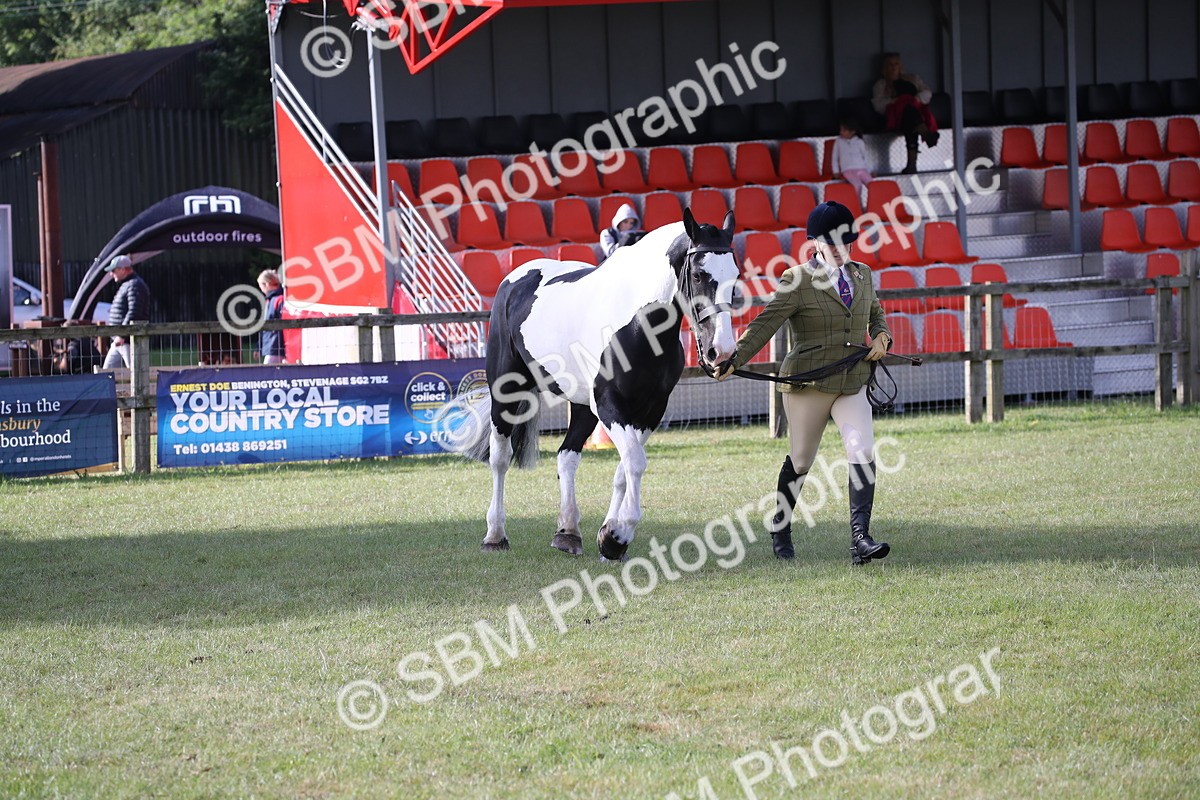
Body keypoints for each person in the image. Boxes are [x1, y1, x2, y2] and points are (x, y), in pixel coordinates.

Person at [715, 201, 893, 566]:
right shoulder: (797, 279)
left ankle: (860, 539)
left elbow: (876, 313)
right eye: (832, 243)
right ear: (815, 243)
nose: (841, 249)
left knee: (861, 450)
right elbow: (766, 322)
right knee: (801, 461)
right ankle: (780, 525)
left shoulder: (863, 274)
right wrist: (734, 358)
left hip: (852, 380)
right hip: (808, 383)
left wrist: (881, 336)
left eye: (846, 241)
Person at [871, 52, 939, 174]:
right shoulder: (881, 85)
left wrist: (915, 99)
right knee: (908, 113)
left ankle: (911, 165)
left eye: (896, 64)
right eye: (890, 65)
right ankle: (926, 135)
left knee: (910, 119)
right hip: (895, 116)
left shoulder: (913, 79)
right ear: (885, 67)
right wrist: (897, 101)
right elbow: (878, 105)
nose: (893, 67)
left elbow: (927, 93)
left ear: (900, 66)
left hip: (914, 115)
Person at [101, 255, 151, 369]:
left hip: (128, 340)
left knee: (136, 372)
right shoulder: (128, 284)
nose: (111, 274)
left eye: (113, 270)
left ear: (123, 269)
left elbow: (134, 312)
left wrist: (122, 335)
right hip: (120, 340)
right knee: (107, 373)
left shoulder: (135, 285)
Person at [832, 118, 873, 193]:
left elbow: (865, 157)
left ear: (852, 132)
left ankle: (874, 200)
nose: (841, 132)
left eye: (844, 130)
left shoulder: (859, 142)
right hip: (847, 170)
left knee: (872, 185)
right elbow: (834, 157)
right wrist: (836, 171)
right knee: (857, 185)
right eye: (841, 130)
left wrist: (870, 170)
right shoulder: (838, 141)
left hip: (862, 168)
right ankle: (856, 201)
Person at [257, 269, 286, 364]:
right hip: (273, 346)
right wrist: (259, 347)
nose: (261, 290)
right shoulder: (270, 300)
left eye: (261, 286)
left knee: (267, 371)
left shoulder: (279, 300)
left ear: (267, 284)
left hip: (276, 346)